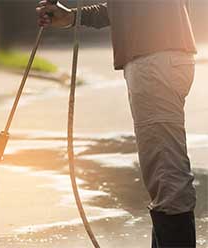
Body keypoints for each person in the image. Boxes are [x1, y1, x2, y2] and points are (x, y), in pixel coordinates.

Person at [36, 0, 197, 247]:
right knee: (162, 174)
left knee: (166, 176)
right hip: (157, 59)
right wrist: (73, 18)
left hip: (155, 61)